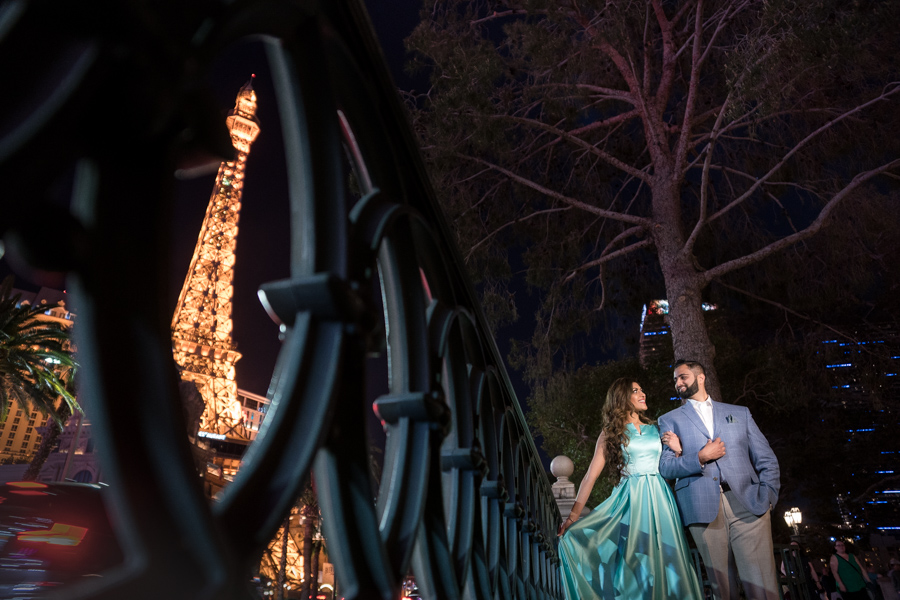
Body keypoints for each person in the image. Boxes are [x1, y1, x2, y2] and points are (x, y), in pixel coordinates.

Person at [557, 378, 703, 599]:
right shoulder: (610, 434)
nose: (643, 393)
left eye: (642, 389)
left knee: (667, 557)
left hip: (661, 498)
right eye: (636, 391)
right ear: (622, 398)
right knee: (636, 560)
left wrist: (678, 450)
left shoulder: (658, 429)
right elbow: (590, 476)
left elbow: (670, 467)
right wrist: (573, 516)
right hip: (631, 499)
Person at [658, 359, 781, 600]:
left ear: (701, 377)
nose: (678, 383)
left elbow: (766, 458)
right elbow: (666, 468)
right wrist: (700, 457)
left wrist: (768, 496)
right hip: (700, 508)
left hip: (748, 503)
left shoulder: (739, 413)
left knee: (762, 585)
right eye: (675, 380)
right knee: (722, 589)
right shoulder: (669, 420)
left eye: (682, 377)